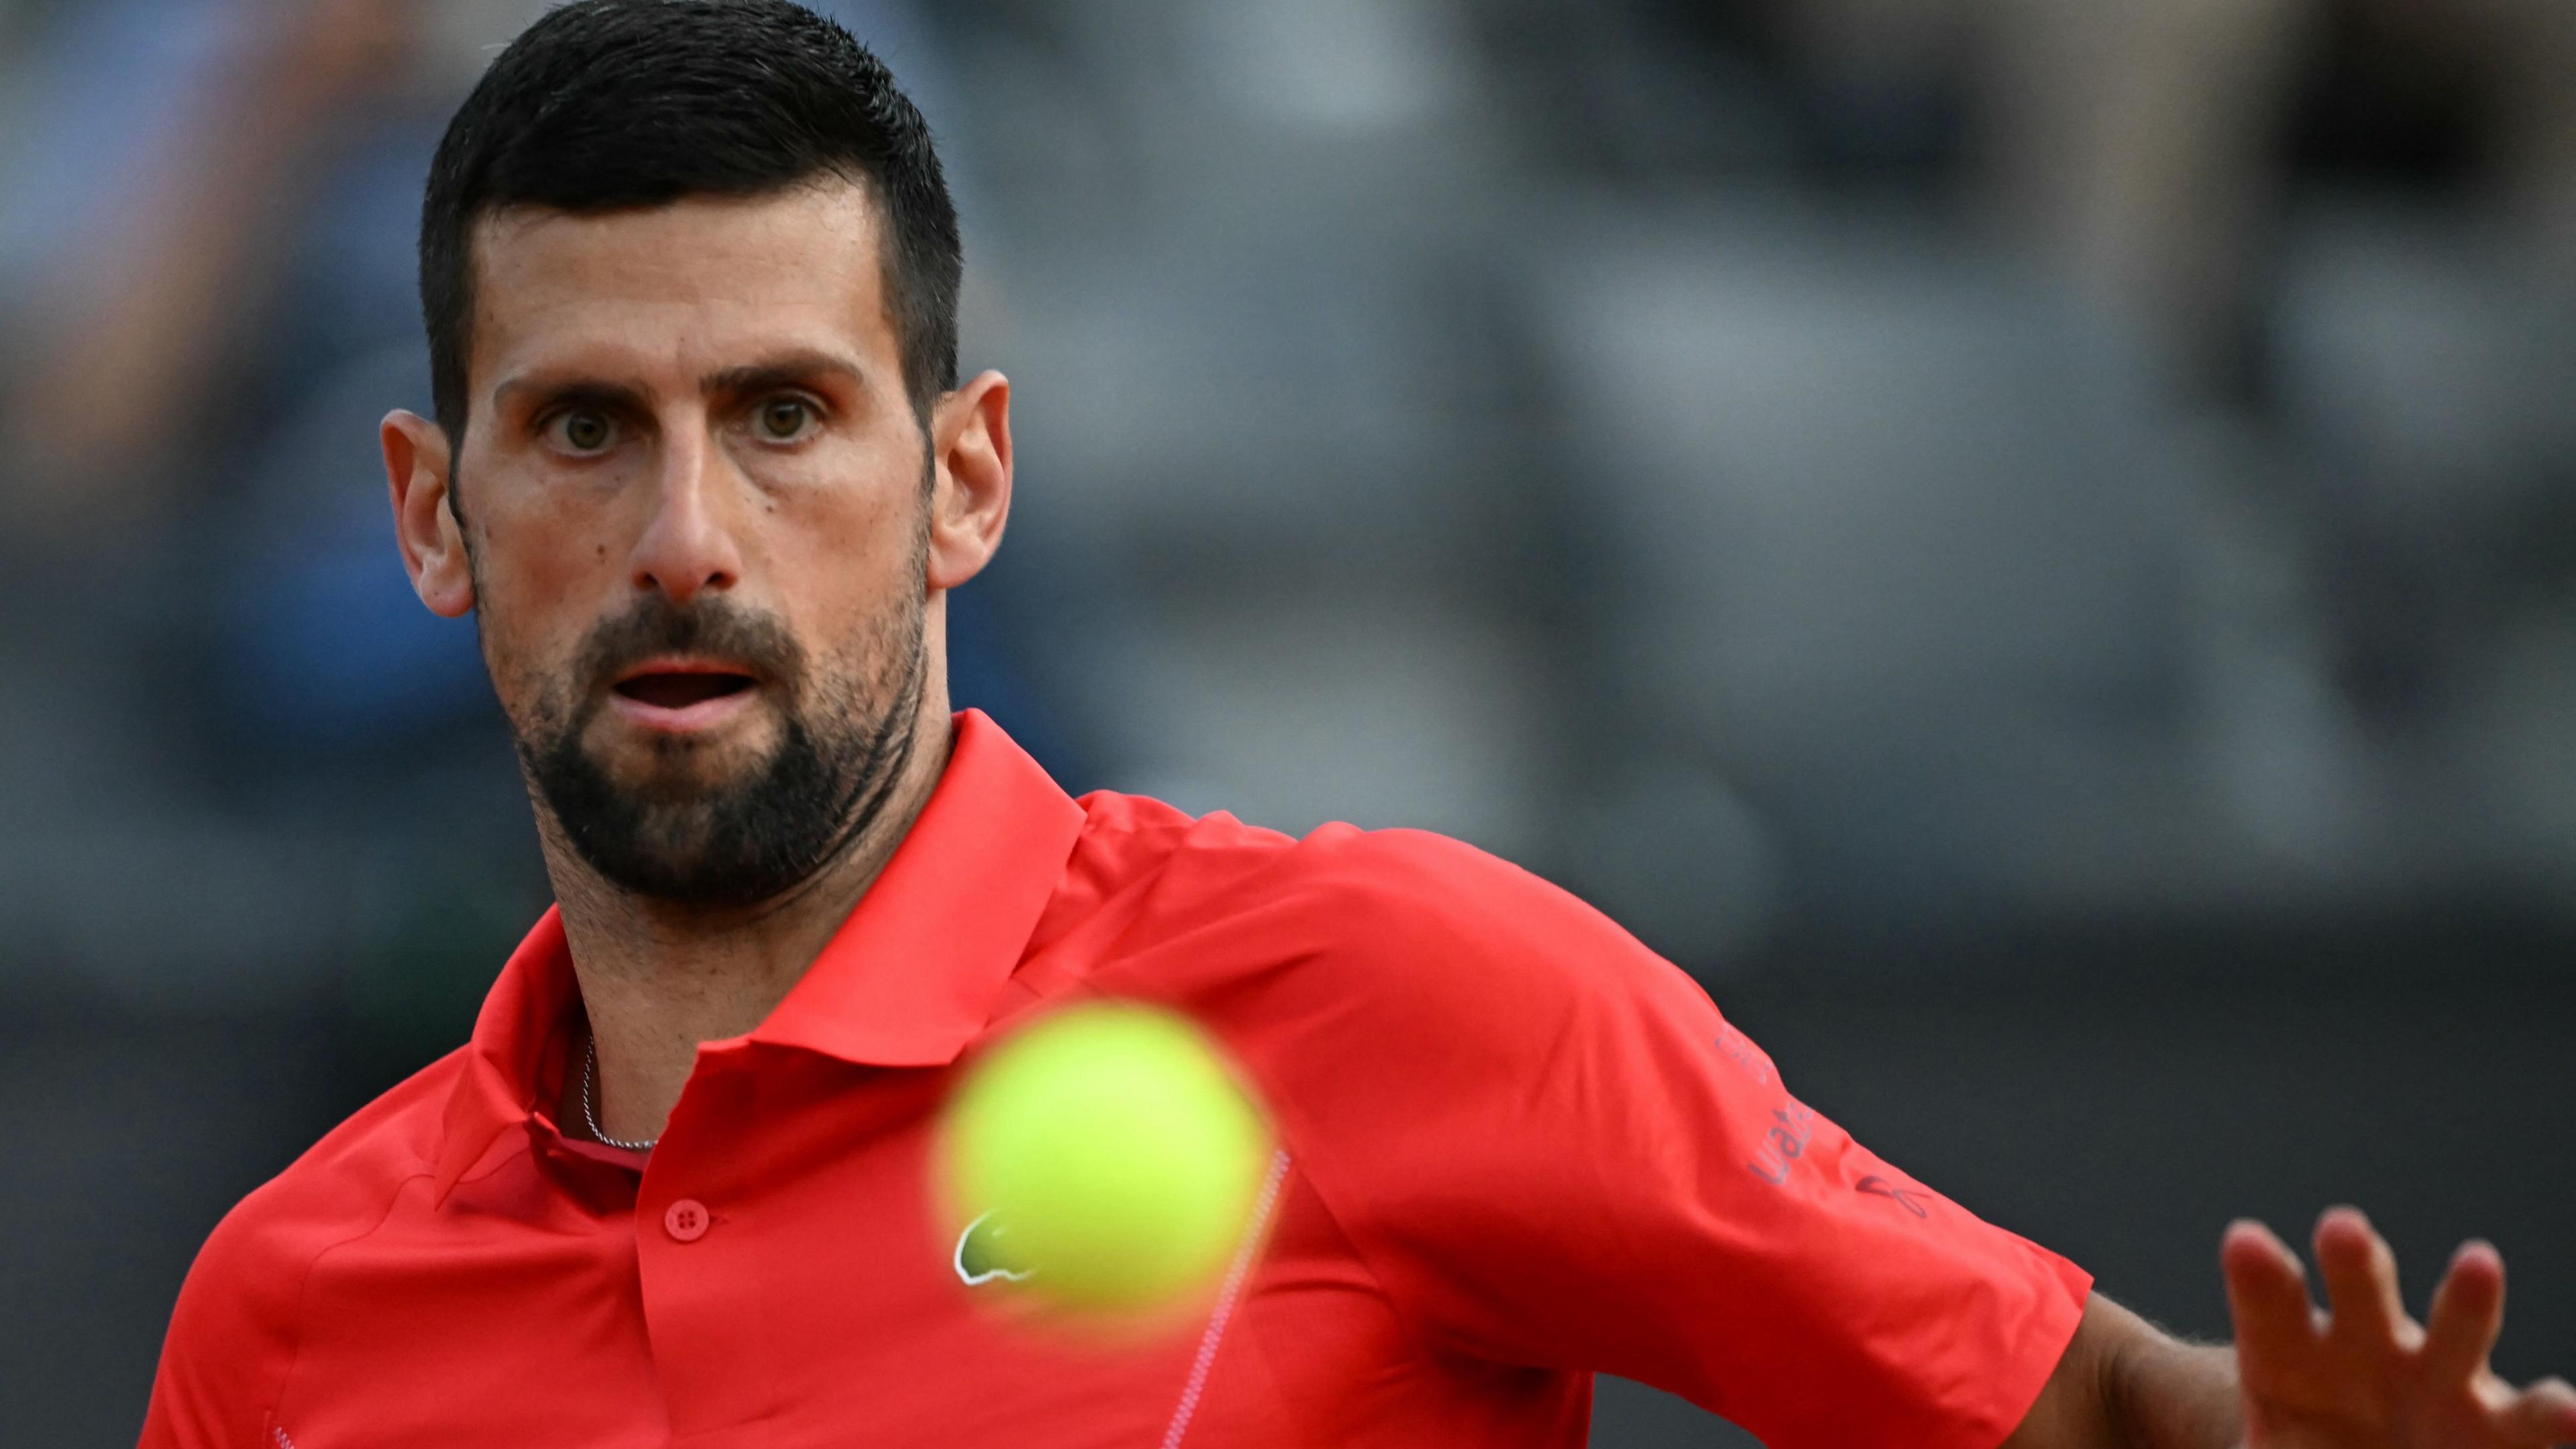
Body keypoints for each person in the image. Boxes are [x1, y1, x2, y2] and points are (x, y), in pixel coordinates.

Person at [138, 3, 2576, 1446]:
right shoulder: (285, 1314)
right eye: (582, 429)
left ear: (964, 479)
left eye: (785, 416)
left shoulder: (1404, 991)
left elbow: (2109, 1418)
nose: (687, 534)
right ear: (428, 515)